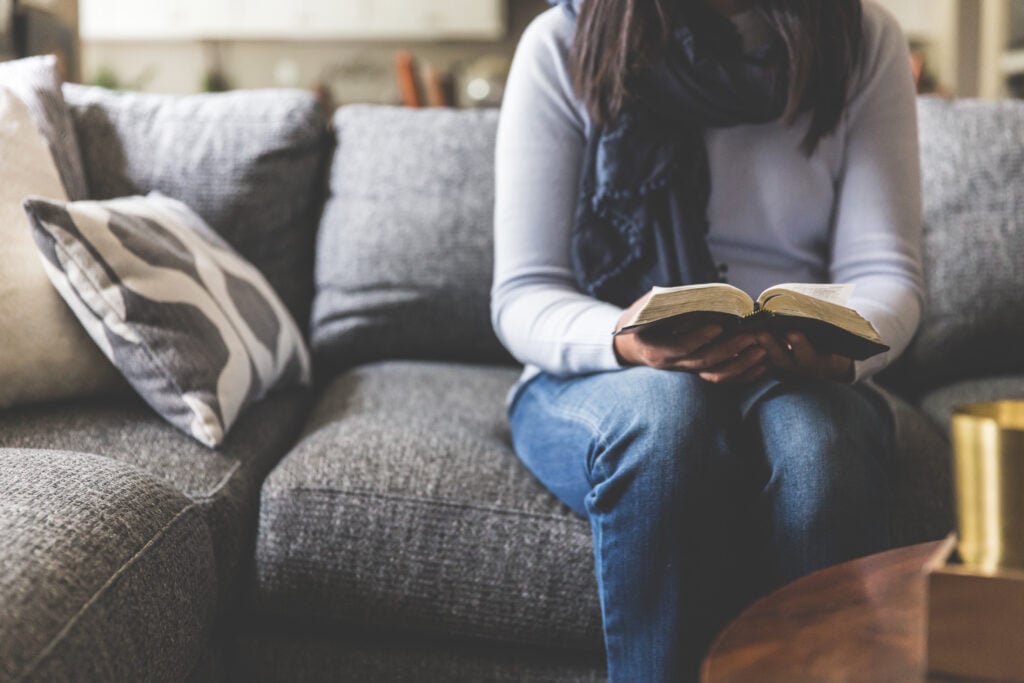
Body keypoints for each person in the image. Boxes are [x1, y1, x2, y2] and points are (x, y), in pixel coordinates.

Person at [491, 0, 923, 680]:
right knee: (665, 421)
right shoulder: (563, 43)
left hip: (794, 370)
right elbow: (523, 293)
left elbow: (885, 273)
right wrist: (627, 338)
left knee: (818, 446)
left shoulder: (861, 38)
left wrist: (836, 349)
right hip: (602, 371)